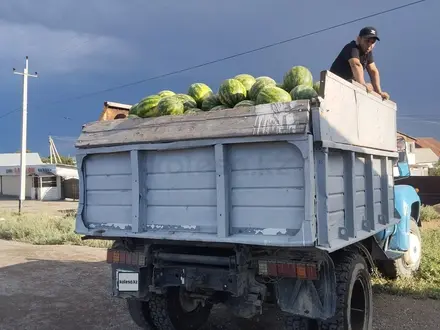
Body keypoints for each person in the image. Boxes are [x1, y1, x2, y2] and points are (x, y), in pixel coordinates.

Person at [330, 26, 390, 100]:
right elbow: (356, 64)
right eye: (367, 41)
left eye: (373, 42)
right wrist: (362, 85)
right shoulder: (352, 47)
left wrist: (379, 92)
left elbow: (373, 71)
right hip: (334, 83)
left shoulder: (368, 52)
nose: (370, 45)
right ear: (359, 39)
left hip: (346, 87)